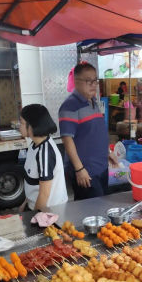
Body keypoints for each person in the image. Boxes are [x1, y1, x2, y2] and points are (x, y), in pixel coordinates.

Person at [59, 62, 118, 200]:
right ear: (76, 81)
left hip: (101, 168)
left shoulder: (93, 101)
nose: (93, 85)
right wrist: (79, 170)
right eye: (88, 81)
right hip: (86, 173)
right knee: (90, 213)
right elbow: (67, 139)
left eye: (95, 80)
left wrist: (108, 152)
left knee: (102, 208)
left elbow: (95, 133)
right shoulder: (69, 106)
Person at [19, 104, 67, 211]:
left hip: (49, 212)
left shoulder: (45, 153)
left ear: (32, 126)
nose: (19, 126)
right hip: (35, 206)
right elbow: (32, 181)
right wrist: (25, 203)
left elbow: (44, 194)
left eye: (21, 123)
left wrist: (34, 219)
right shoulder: (33, 145)